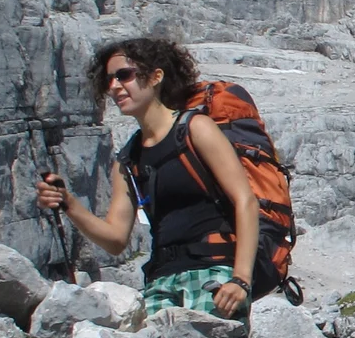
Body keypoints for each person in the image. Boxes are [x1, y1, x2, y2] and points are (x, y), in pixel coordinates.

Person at [37, 37, 259, 321]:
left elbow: (245, 200)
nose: (114, 86)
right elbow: (116, 239)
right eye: (109, 80)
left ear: (156, 77)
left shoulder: (195, 128)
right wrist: (68, 204)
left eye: (124, 75)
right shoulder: (128, 159)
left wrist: (240, 279)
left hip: (214, 274)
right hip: (159, 282)